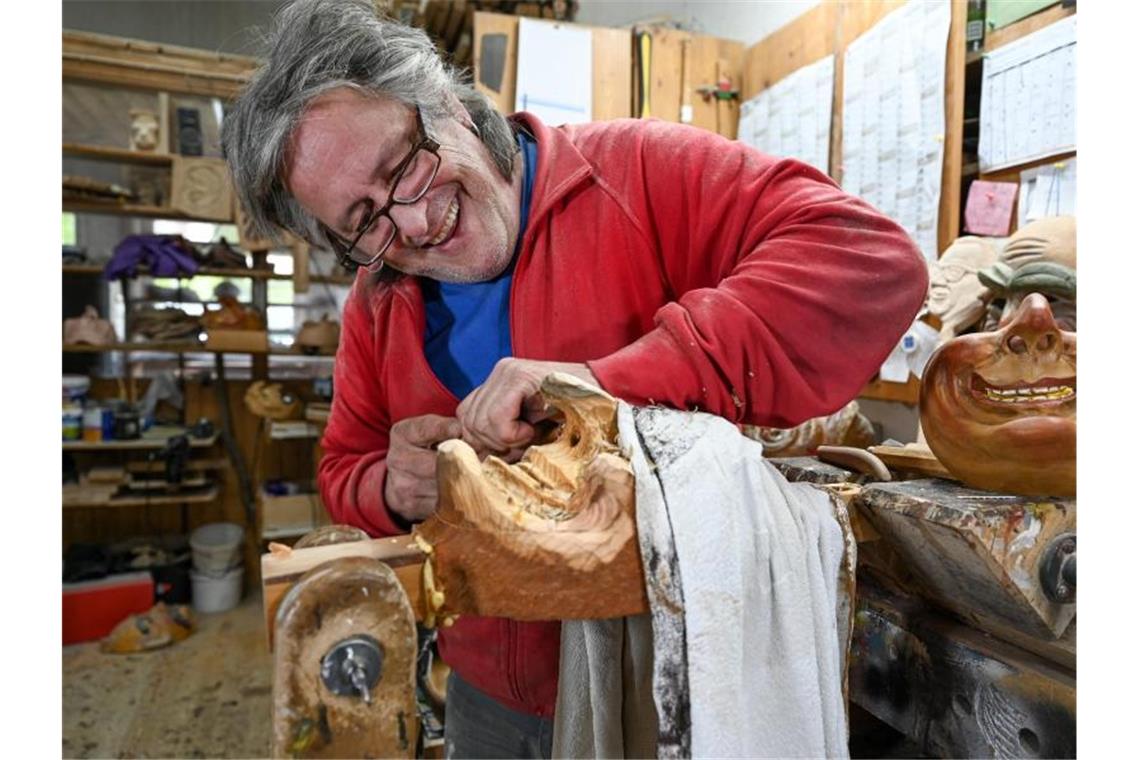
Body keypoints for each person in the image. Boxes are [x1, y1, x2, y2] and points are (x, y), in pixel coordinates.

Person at [223, 0, 928, 755]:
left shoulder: (636, 172)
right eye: (365, 220)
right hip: (486, 693)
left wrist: (598, 385)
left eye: (405, 166)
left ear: (450, 105)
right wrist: (394, 488)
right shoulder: (378, 303)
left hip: (667, 677)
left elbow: (872, 265)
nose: (418, 222)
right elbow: (341, 473)